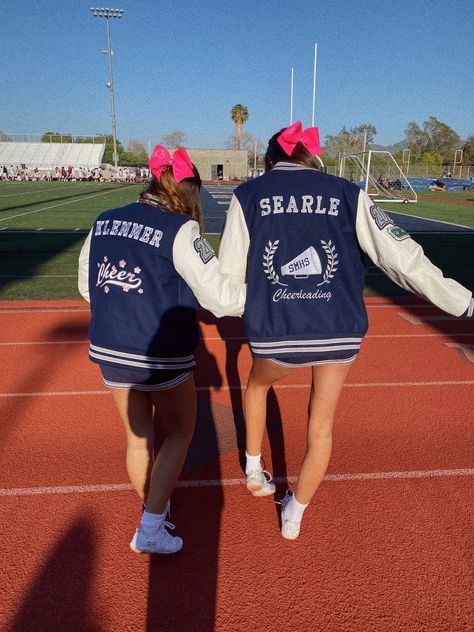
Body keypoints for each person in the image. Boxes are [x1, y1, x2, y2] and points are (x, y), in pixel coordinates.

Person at [218, 121, 473, 541]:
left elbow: (228, 280)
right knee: (321, 429)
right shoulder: (348, 193)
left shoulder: (247, 195)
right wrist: (462, 301)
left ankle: (252, 466)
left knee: (258, 385)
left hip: (277, 329)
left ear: (271, 159)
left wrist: (250, 305)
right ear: (309, 155)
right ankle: (295, 514)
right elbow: (402, 258)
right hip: (338, 328)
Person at [78, 145, 245, 554]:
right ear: (188, 192)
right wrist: (268, 296)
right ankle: (151, 527)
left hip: (109, 347)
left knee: (137, 440)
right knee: (179, 433)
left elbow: (87, 286)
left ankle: (156, 506)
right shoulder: (183, 231)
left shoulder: (104, 221)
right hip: (161, 354)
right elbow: (222, 300)